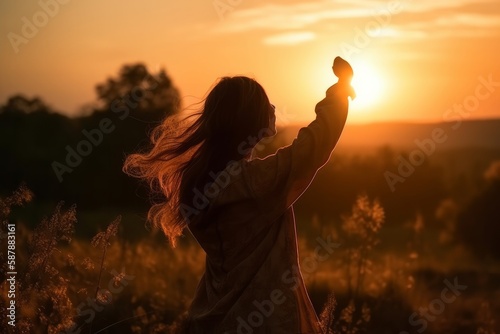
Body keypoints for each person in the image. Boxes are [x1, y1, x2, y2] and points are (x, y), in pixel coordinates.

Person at [124, 58, 354, 333]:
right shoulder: (254, 183)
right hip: (267, 321)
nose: (273, 108)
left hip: (211, 319)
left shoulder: (197, 184)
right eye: (265, 105)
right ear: (250, 121)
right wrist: (339, 92)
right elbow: (313, 146)